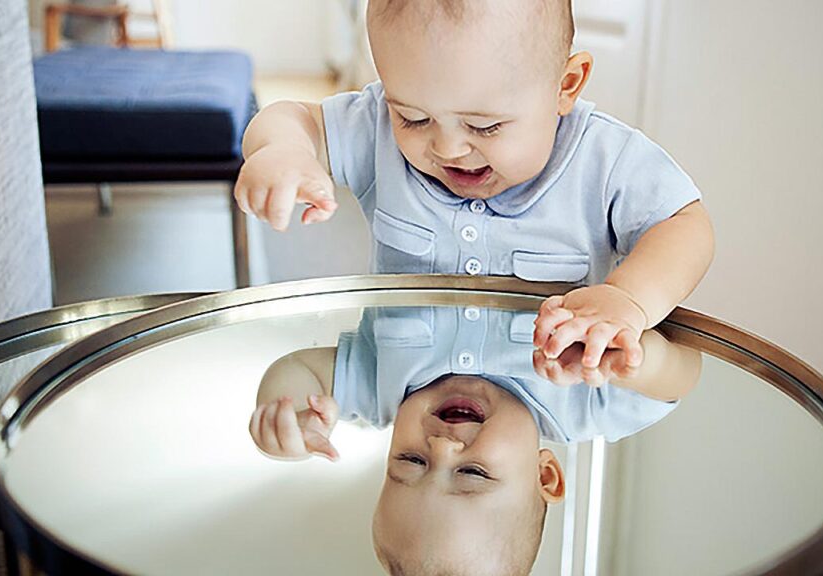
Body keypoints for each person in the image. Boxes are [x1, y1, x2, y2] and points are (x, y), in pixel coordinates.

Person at [235, 0, 714, 382]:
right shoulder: (377, 127)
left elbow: (684, 225)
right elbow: (292, 118)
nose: (447, 147)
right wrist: (283, 150)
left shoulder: (605, 159)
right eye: (414, 117)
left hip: (559, 372)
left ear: (565, 86)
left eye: (485, 127)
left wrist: (628, 299)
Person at [249, 305, 702, 575]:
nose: (441, 447)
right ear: (545, 475)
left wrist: (286, 417)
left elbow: (298, 369)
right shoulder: (585, 402)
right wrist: (639, 360)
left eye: (410, 462)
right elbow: (683, 372)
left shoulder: (381, 388)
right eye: (472, 472)